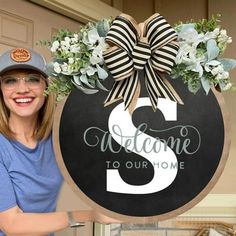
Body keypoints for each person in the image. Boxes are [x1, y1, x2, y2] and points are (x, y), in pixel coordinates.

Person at [0, 48, 118, 236]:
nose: (22, 89)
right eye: (10, 81)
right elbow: (12, 225)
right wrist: (88, 215)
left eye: (33, 79)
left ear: (47, 86)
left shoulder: (59, 138)